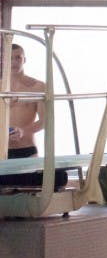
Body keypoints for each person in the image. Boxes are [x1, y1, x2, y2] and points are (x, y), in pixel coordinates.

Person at [1, 43, 67, 190]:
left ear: (25, 60)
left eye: (18, 57)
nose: (14, 62)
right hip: (1, 150)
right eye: (10, 58)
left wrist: (23, 131)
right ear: (4, 61)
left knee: (60, 177)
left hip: (26, 150)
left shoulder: (38, 87)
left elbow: (45, 121)